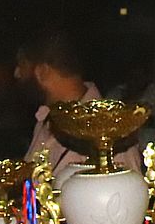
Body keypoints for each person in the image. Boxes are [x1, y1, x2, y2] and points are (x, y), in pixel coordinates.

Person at [15, 27, 136, 174]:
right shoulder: (45, 120)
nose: (17, 73)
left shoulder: (110, 132)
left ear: (42, 72)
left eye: (22, 65)